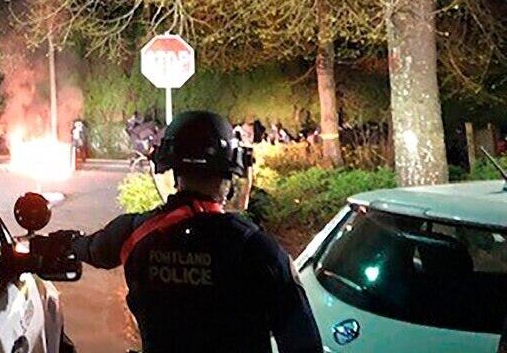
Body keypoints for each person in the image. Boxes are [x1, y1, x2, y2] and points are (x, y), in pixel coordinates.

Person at [52, 111, 322, 353]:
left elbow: (91, 249)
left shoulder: (135, 232)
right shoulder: (259, 250)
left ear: (173, 174)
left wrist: (60, 244)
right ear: (228, 180)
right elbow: (302, 342)